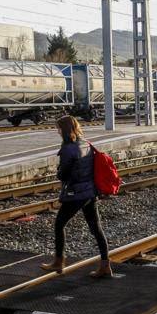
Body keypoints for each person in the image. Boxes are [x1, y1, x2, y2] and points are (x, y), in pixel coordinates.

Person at [40, 115, 112, 278]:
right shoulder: (86, 143)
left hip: (75, 194)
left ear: (64, 130)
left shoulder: (67, 148)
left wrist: (58, 171)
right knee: (96, 229)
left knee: (59, 225)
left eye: (58, 128)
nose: (57, 131)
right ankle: (105, 265)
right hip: (90, 193)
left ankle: (59, 262)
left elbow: (63, 175)